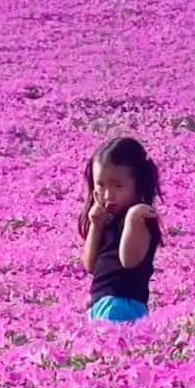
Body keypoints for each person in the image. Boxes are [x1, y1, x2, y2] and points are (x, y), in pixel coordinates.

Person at [79, 136, 163, 323]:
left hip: (122, 305)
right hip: (99, 303)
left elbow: (129, 260)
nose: (108, 195)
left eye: (117, 186)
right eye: (100, 185)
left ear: (138, 184)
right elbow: (90, 266)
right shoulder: (107, 219)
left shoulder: (141, 217)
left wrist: (132, 219)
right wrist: (96, 225)